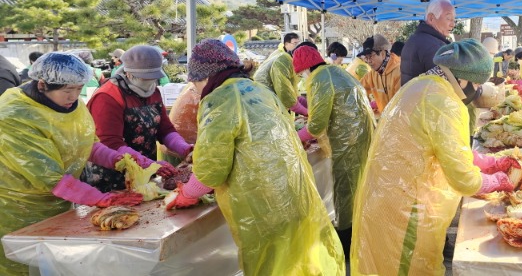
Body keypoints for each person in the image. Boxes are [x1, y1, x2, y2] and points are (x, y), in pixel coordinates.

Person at [165, 39, 345, 275]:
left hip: (263, 207)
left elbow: (212, 169)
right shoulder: (260, 90)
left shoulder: (220, 99)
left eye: (195, 81)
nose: (195, 88)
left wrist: (186, 194)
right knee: (303, 264)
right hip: (296, 194)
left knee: (271, 266)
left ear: (206, 76)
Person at [351, 39, 517, 276]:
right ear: (462, 78)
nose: (476, 91)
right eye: (476, 84)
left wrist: (489, 162)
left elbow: (446, 147)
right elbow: (464, 180)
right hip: (408, 212)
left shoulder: (421, 85)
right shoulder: (445, 101)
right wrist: (496, 180)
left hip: (389, 200)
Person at [0, 52, 143, 275]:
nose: (74, 96)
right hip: (16, 206)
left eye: (78, 89)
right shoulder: (15, 114)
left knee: (53, 264)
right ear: (42, 85)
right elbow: (49, 176)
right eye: (67, 91)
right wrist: (100, 199)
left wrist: (119, 160)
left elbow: (87, 144)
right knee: (21, 267)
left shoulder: (73, 105)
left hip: (60, 201)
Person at [293, 45, 375, 259]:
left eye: (301, 71)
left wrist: (295, 137)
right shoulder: (335, 71)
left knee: (345, 188)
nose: (302, 76)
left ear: (306, 67)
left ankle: (347, 244)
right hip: (361, 136)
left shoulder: (319, 78)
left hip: (347, 140)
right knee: (357, 187)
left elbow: (317, 123)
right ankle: (359, 233)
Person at [83, 45, 192, 192]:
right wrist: (148, 164)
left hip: (144, 173)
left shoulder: (154, 92)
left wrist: (185, 148)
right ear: (129, 73)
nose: (150, 82)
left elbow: (165, 130)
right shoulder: (107, 96)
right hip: (110, 177)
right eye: (145, 78)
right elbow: (109, 142)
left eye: (154, 78)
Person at [400, 0, 454, 85]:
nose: (453, 24)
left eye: (453, 19)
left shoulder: (414, 39)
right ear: (431, 18)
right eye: (448, 18)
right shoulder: (432, 45)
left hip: (412, 96)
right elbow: (444, 85)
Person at [253, 32, 307, 116]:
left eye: (298, 43)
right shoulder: (282, 60)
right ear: (286, 44)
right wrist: (307, 112)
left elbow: (291, 87)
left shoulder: (288, 58)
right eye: (295, 43)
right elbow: (284, 91)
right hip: (266, 98)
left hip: (273, 98)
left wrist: (304, 103)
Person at [359, 34, 401, 115]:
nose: (368, 61)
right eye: (366, 57)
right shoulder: (372, 74)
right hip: (384, 120)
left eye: (370, 56)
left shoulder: (399, 71)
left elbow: (401, 105)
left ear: (382, 54)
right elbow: (359, 89)